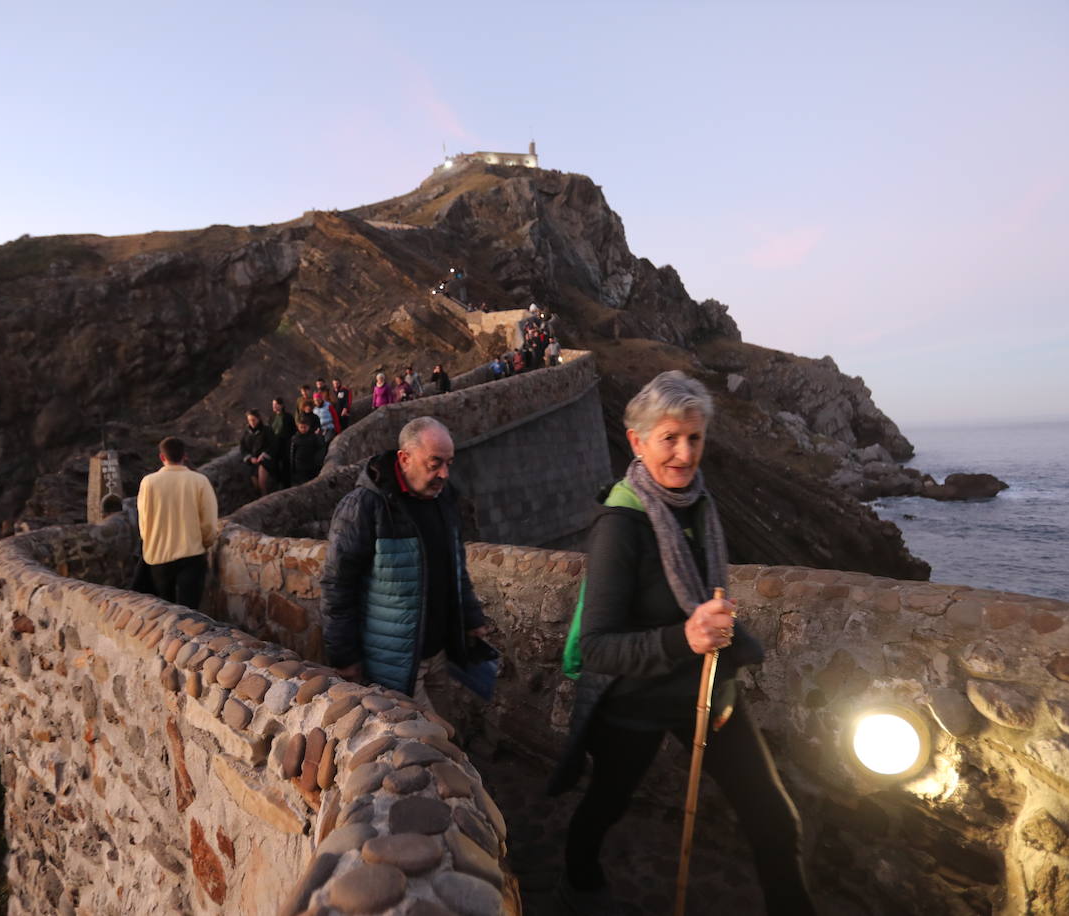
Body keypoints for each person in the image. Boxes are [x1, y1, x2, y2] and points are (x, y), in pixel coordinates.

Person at [549, 371, 814, 915]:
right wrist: (684, 637)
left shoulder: (700, 509)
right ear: (637, 441)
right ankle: (577, 878)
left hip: (707, 692)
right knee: (607, 803)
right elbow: (597, 647)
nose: (684, 453)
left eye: (694, 438)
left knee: (773, 815)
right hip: (634, 702)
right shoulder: (620, 525)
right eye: (669, 438)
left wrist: (720, 641)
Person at [320, 417, 487, 711]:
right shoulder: (366, 506)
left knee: (447, 734)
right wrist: (344, 658)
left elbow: (455, 566)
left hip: (440, 654)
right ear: (405, 458)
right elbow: (337, 585)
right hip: (394, 664)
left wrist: (471, 618)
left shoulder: (442, 498)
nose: (445, 474)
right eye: (435, 463)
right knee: (426, 745)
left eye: (449, 463)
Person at [136, 436, 218, 610]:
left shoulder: (148, 483)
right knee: (191, 613)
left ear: (162, 457)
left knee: (165, 611)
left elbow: (143, 521)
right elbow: (209, 522)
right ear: (184, 456)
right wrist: (206, 542)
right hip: (191, 554)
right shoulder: (199, 481)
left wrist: (150, 542)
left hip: (158, 557)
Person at [239, 409, 270, 495]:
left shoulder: (266, 430)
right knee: (255, 486)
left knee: (262, 484)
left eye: (253, 420)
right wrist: (249, 457)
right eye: (249, 420)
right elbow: (243, 448)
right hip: (252, 461)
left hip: (264, 460)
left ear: (258, 419)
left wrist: (263, 455)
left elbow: (272, 445)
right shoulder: (246, 433)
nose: (251, 422)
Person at [290, 413, 326, 483]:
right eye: (301, 427)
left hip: (311, 466)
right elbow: (292, 453)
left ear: (309, 426)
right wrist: (292, 468)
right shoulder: (295, 438)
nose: (303, 429)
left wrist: (318, 462)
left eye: (305, 427)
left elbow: (321, 448)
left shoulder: (314, 437)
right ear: (298, 427)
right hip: (299, 466)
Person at [267, 397, 294, 486]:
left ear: (281, 405)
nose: (274, 406)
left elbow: (293, 430)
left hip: (285, 443)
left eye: (276, 404)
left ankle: (287, 484)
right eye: (273, 405)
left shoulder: (288, 417)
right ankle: (277, 482)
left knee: (285, 464)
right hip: (274, 444)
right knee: (274, 464)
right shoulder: (272, 417)